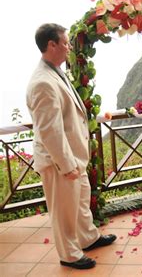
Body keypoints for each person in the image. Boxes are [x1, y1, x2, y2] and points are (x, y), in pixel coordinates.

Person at [26, 23, 116, 270]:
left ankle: (88, 237)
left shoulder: (55, 71)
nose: (68, 48)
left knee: (80, 201)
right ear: (51, 45)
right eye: (65, 43)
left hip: (74, 156)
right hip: (59, 161)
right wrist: (66, 166)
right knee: (64, 211)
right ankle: (70, 254)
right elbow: (49, 131)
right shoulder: (43, 82)